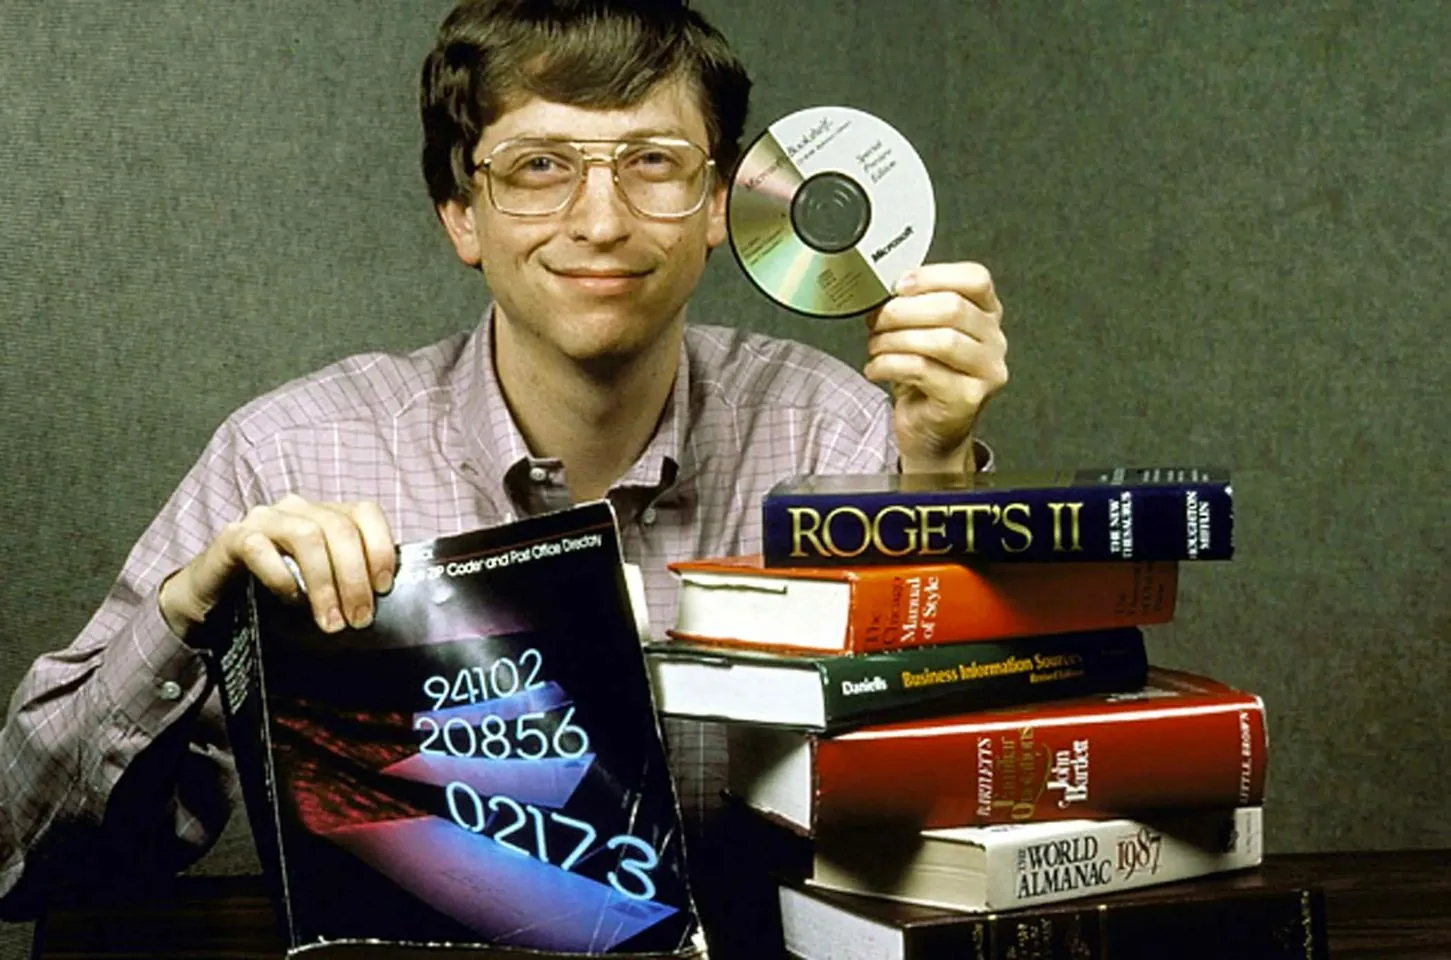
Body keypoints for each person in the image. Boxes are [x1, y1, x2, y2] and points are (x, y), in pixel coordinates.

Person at [0, 0, 1007, 948]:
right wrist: (187, 614)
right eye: (537, 166)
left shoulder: (833, 435)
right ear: (459, 213)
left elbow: (960, 824)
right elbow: (30, 860)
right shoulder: (289, 453)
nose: (601, 220)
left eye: (652, 162)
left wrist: (932, 468)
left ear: (716, 204)